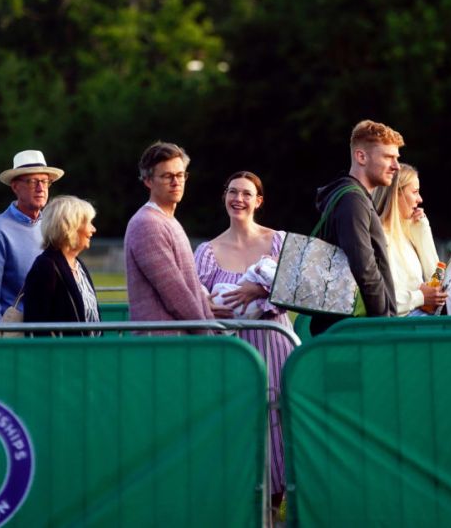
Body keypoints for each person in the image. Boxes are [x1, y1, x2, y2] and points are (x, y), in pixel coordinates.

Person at [194, 171, 294, 511]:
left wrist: (258, 291)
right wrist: (209, 307)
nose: (238, 199)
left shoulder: (277, 241)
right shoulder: (207, 251)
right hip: (233, 353)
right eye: (233, 192)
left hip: (274, 344)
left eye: (246, 193)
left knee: (279, 423)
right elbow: (194, 299)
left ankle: (278, 502)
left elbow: (296, 292)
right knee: (242, 425)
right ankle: (248, 507)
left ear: (258, 201)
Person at [309, 120, 400, 335]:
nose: (396, 166)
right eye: (388, 157)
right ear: (361, 156)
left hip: (348, 327)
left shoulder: (352, 197)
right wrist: (383, 322)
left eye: (396, 158)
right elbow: (365, 268)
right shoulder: (352, 199)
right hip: (355, 330)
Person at [124, 141, 224, 331]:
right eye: (167, 176)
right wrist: (209, 336)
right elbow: (176, 295)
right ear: (148, 181)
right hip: (163, 347)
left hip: (178, 344)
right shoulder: (147, 224)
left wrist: (211, 324)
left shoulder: (168, 220)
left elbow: (191, 286)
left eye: (180, 175)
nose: (176, 182)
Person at [0, 150, 64, 324]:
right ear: (15, 187)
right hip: (15, 338)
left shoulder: (51, 225)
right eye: (33, 182)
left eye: (45, 181)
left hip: (49, 333)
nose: (40, 188)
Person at [23, 195, 100, 334]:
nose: (93, 229)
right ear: (71, 226)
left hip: (89, 354)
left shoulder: (78, 265)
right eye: (89, 222)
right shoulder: (45, 266)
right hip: (62, 355)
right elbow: (36, 326)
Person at [378, 163, 446, 316]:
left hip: (420, 319)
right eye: (415, 192)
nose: (420, 199)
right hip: (401, 327)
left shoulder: (407, 234)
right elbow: (382, 300)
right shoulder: (380, 238)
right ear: (396, 193)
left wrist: (422, 232)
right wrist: (421, 297)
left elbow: (435, 277)